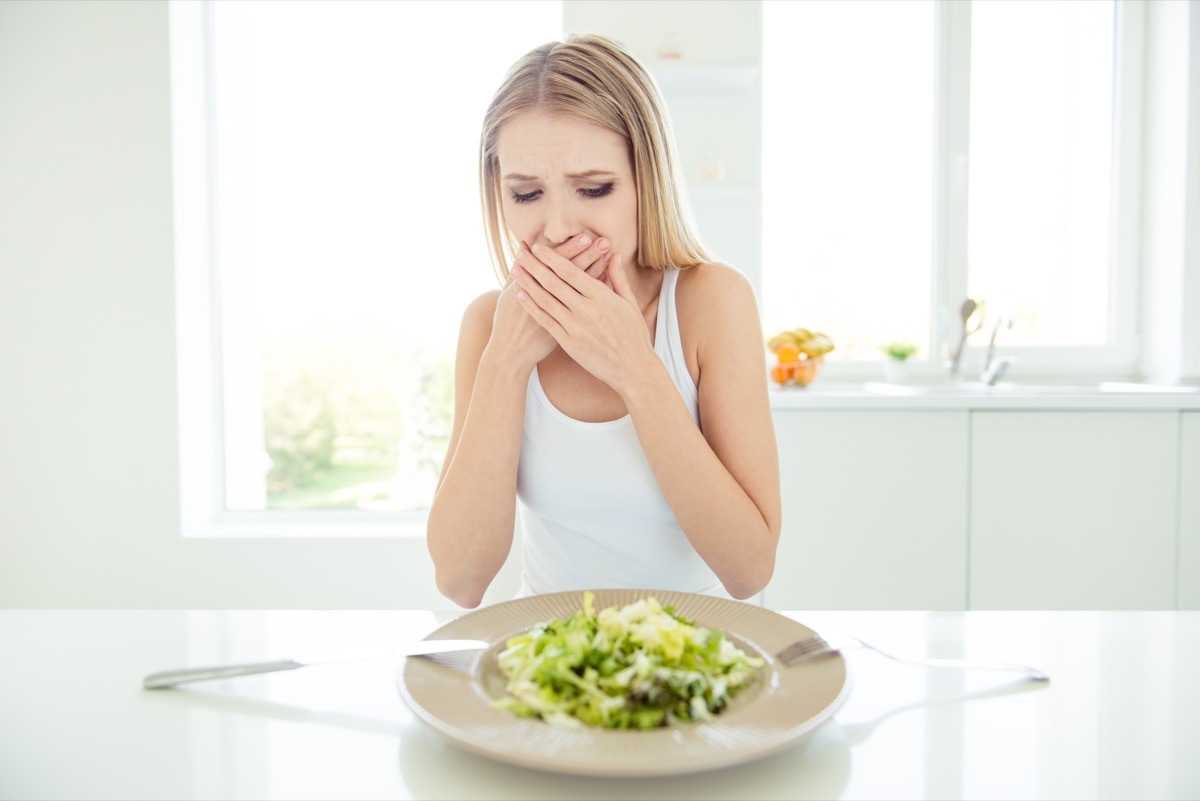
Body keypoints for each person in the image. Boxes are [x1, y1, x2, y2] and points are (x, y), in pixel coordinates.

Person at [426, 34, 780, 609]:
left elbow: (749, 569)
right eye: (526, 194)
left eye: (594, 189)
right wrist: (507, 362)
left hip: (699, 655)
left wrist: (635, 368)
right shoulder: (489, 325)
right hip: (552, 659)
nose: (559, 227)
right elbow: (461, 581)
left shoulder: (711, 301)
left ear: (649, 179)